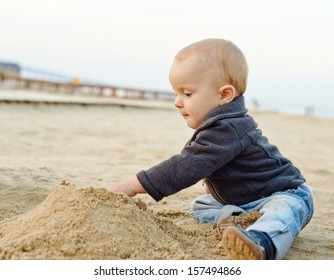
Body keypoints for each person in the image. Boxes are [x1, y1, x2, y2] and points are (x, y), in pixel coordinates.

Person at [107, 38, 314, 260]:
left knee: (283, 211)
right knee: (201, 206)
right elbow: (214, 159)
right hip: (244, 199)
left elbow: (186, 166)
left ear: (224, 94)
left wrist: (133, 185)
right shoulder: (219, 124)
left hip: (283, 192)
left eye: (187, 93)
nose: (177, 102)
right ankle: (237, 219)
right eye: (176, 93)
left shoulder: (229, 127)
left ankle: (263, 242)